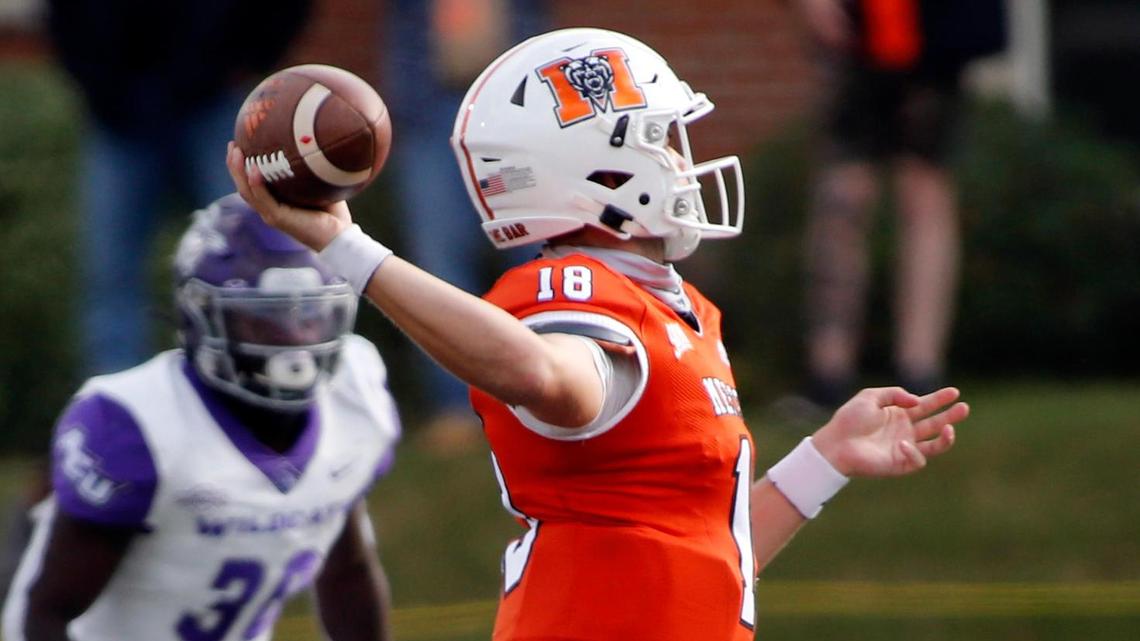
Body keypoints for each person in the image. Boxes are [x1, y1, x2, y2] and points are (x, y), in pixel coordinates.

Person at [228, 27, 969, 641]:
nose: (684, 159)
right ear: (599, 167)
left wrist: (826, 458)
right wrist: (350, 250)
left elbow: (713, 561)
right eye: (665, 138)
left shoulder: (682, 312)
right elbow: (549, 378)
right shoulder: (576, 294)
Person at [1, 194, 400, 641]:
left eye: (309, 315)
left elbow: (347, 569)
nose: (292, 340)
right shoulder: (135, 425)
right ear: (199, 317)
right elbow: (45, 612)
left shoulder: (355, 390)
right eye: (262, 321)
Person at [46, 0, 313, 376]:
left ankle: (260, 397)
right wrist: (96, 81)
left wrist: (250, 56)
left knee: (253, 262)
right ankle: (118, 417)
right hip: (116, 113)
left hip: (213, 100)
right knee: (110, 276)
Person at [790, 0, 1006, 409]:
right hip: (856, 29)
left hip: (937, 31)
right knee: (844, 196)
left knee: (923, 191)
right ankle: (828, 373)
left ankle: (920, 372)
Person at [381, 0, 548, 452]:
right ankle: (457, 406)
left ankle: (553, 392)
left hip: (517, 111)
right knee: (439, 261)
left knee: (537, 251)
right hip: (429, 105)